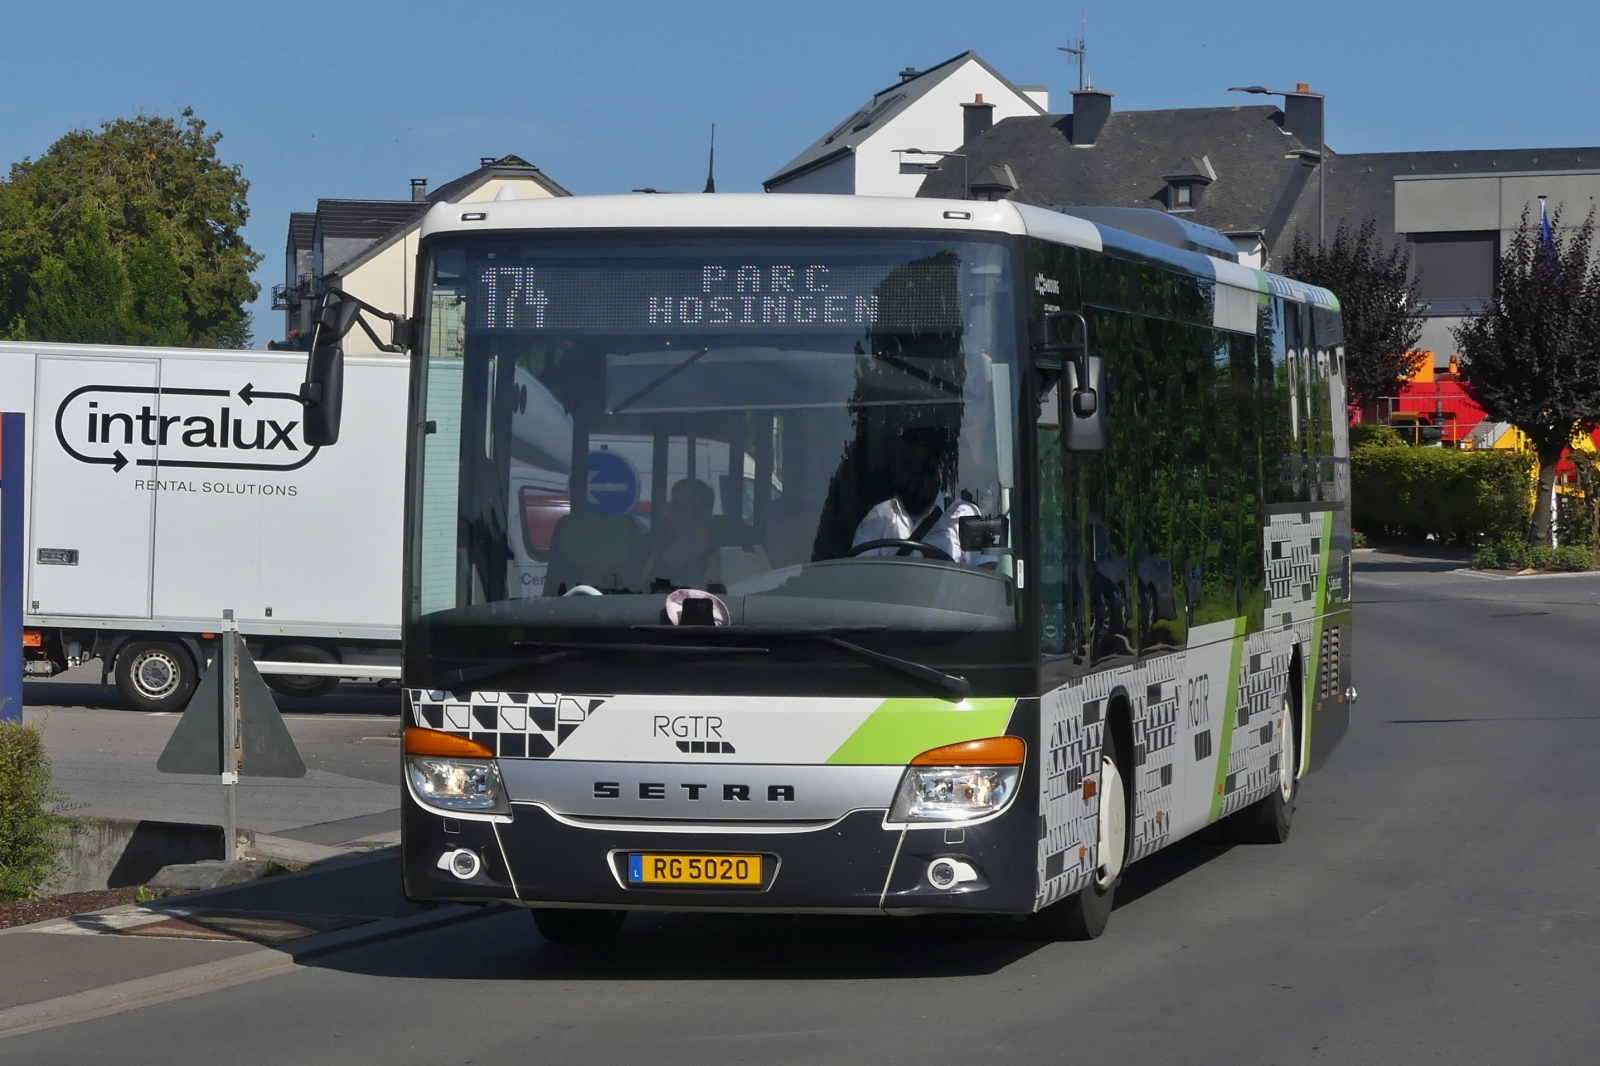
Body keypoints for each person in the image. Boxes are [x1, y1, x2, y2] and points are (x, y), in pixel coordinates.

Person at [851, 428, 995, 566]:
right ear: (896, 472)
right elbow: (861, 574)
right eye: (907, 467)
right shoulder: (879, 517)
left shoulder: (966, 513)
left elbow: (985, 570)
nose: (915, 475)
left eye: (922, 467)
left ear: (938, 471)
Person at [639, 477, 721, 589]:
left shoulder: (722, 557)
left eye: (685, 508)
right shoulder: (655, 552)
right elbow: (641, 596)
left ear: (706, 512)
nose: (675, 514)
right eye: (673, 507)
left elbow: (716, 600)